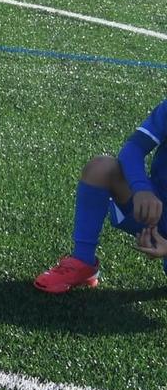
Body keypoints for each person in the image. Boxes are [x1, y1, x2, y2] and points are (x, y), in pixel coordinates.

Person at [34, 94, 167, 293]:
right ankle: (83, 261)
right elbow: (134, 148)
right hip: (155, 209)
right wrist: (142, 188)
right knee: (101, 168)